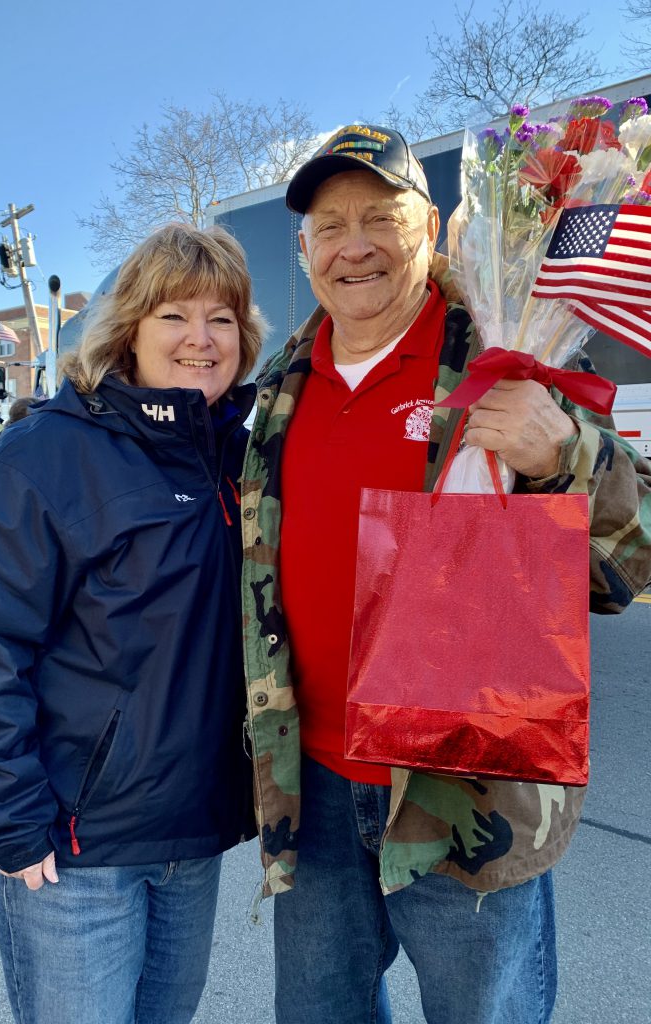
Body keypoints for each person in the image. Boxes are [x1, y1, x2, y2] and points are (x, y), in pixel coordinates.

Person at [240, 125, 651, 1024]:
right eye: (329, 225)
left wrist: (563, 450)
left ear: (430, 223)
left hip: (461, 792)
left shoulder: (510, 346)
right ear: (304, 249)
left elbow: (634, 556)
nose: (354, 246)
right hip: (308, 788)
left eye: (380, 217)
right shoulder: (278, 384)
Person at [0, 223, 263, 1024]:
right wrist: (7, 815)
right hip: (78, 849)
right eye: (174, 315)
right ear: (129, 329)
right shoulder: (44, 455)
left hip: (195, 834)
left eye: (222, 318)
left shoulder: (247, 459)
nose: (201, 339)